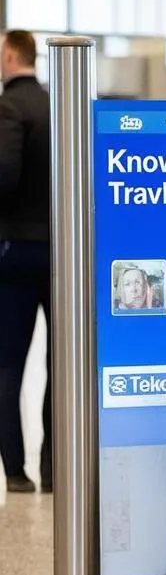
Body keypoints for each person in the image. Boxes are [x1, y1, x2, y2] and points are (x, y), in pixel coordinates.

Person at [0, 30, 51, 495]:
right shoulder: (59, 104)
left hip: (16, 249)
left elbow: (5, 173)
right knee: (65, 361)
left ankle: (15, 470)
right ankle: (57, 464)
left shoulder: (9, 107)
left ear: (10, 55)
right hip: (63, 254)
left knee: (8, 363)